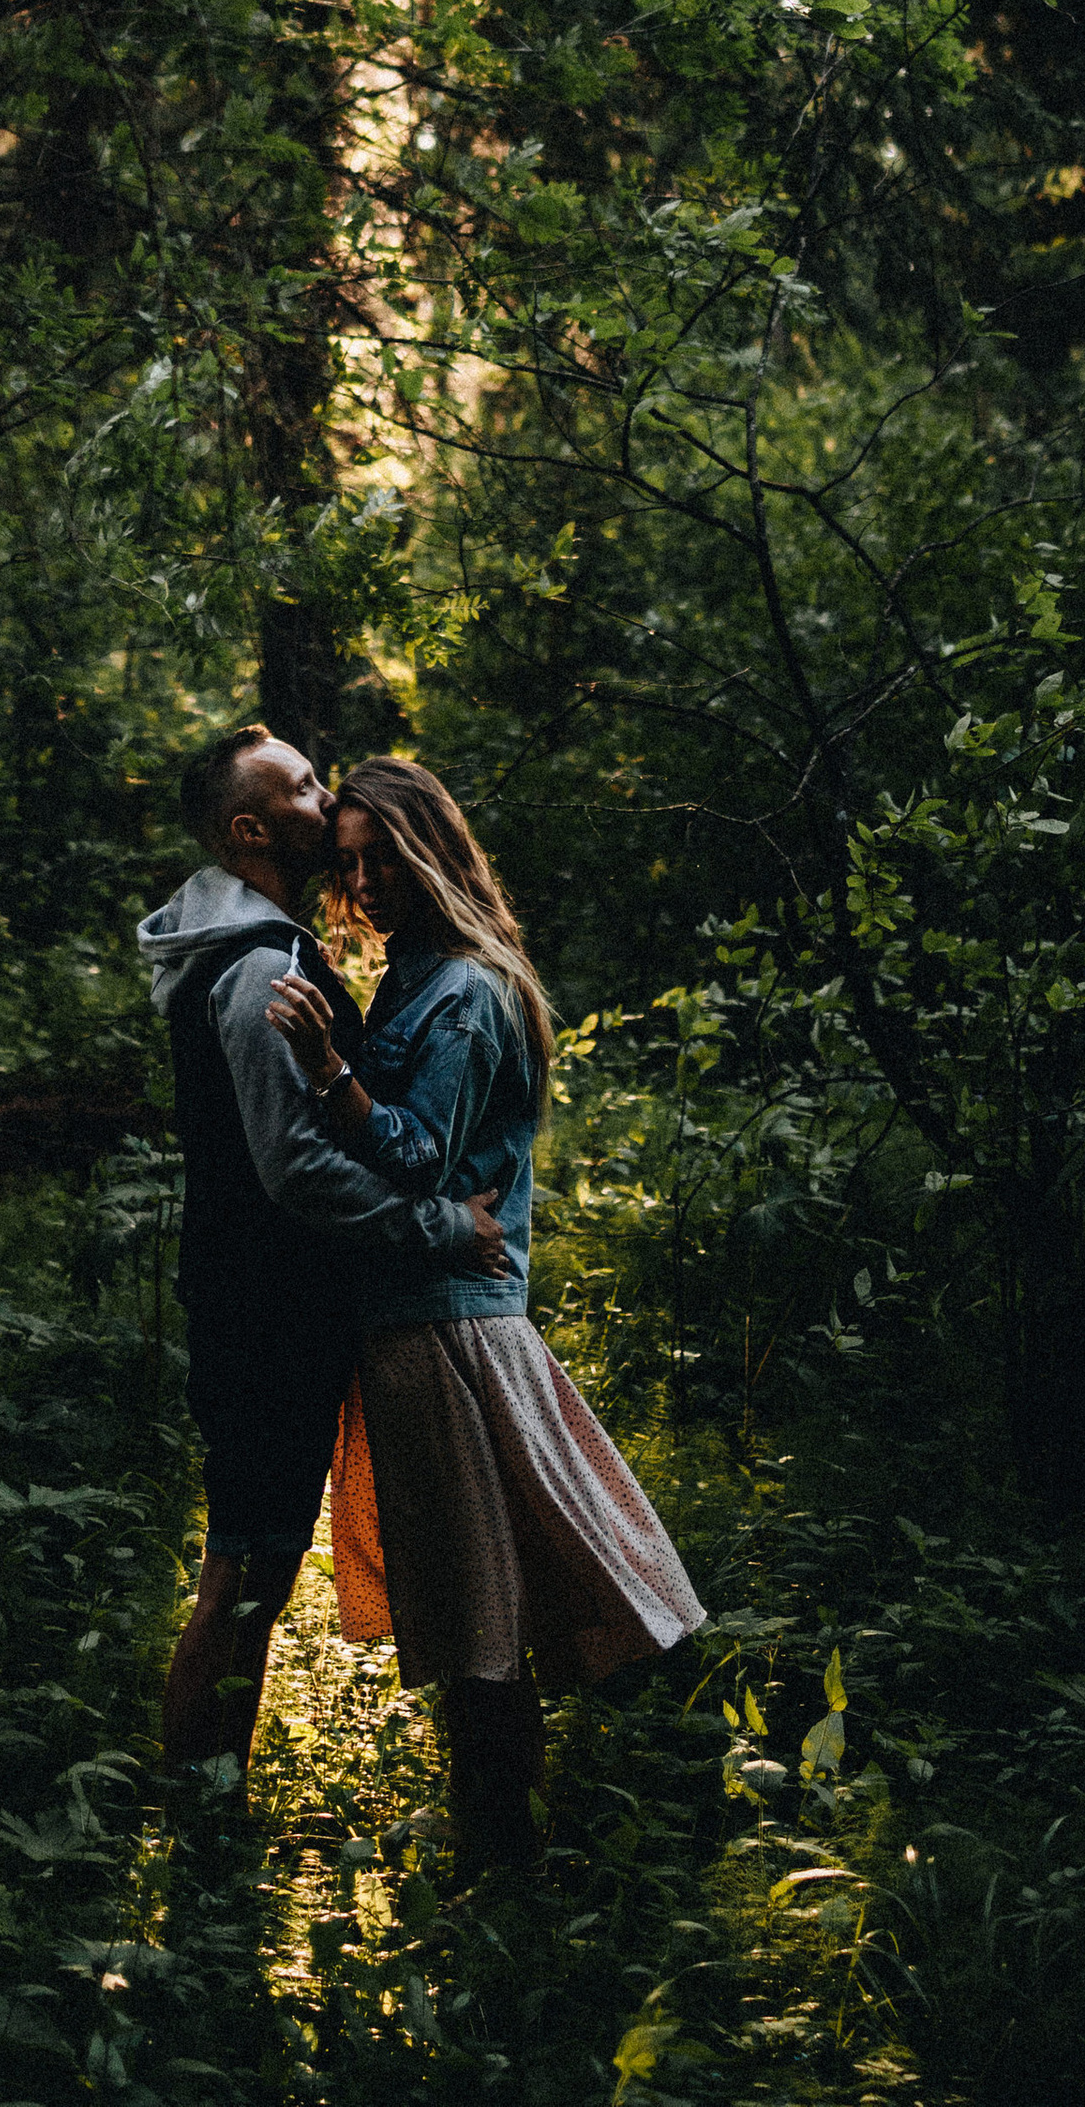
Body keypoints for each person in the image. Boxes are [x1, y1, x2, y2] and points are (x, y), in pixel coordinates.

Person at [267, 754, 703, 1876]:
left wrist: (325, 1068)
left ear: (432, 851)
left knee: (478, 1618)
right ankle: (506, 1844)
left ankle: (505, 1860)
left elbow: (419, 1155)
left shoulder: (461, 989)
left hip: (447, 1331)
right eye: (348, 863)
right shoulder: (415, 977)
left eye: (383, 858)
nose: (364, 882)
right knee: (477, 1605)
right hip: (429, 1321)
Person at [136, 726, 509, 1782]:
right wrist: (445, 1228)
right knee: (241, 1580)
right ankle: (195, 1818)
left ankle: (207, 1807)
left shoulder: (247, 947)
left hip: (261, 1305)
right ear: (250, 830)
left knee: (249, 1574)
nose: (326, 794)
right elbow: (295, 1169)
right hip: (265, 1315)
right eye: (302, 789)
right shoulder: (261, 965)